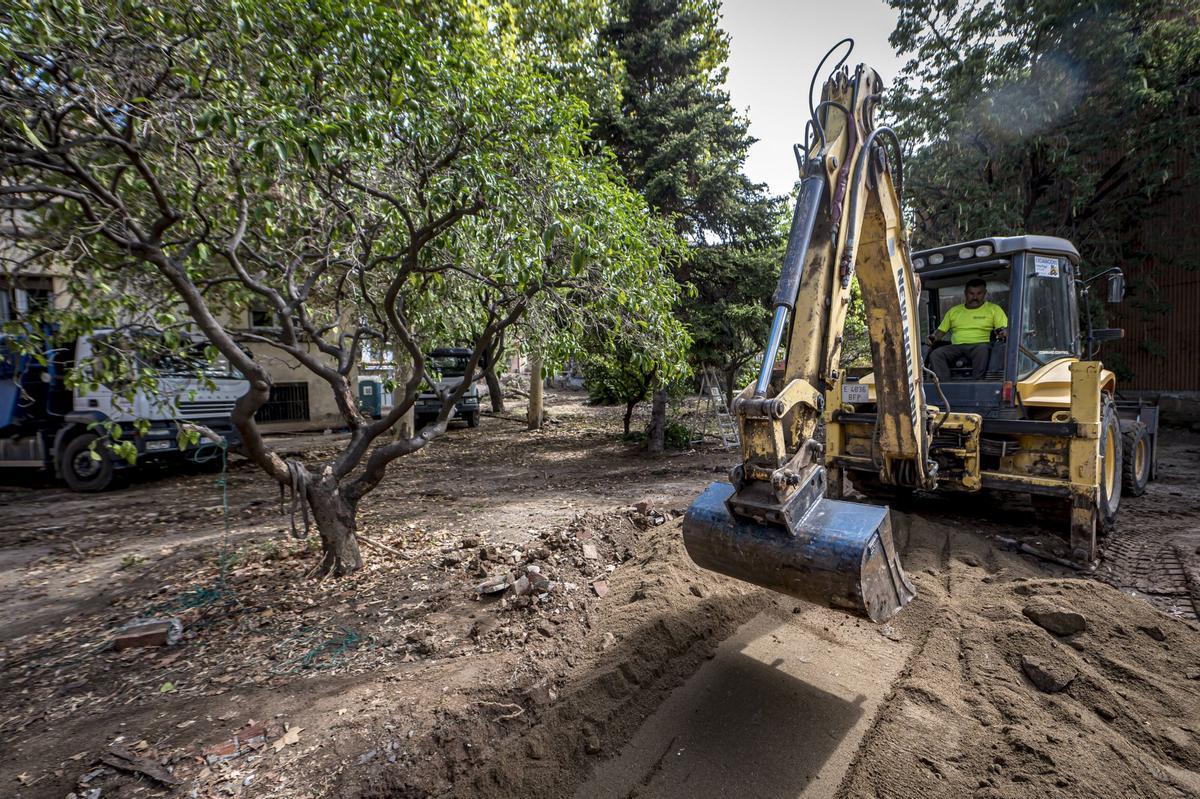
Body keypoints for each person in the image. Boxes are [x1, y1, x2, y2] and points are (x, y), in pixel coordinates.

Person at [925, 278, 1008, 380]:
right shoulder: (954, 311)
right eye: (971, 293)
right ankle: (945, 386)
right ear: (965, 293)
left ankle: (977, 384)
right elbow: (940, 332)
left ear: (985, 293)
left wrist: (1002, 332)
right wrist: (933, 337)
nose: (975, 297)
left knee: (982, 350)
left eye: (979, 293)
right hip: (956, 347)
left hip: (981, 344)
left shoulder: (994, 309)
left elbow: (1002, 329)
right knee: (936, 354)